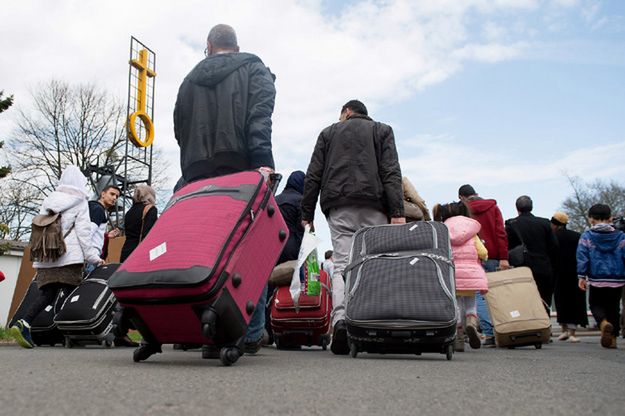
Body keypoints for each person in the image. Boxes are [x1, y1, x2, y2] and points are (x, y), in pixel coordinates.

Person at [171, 23, 277, 357]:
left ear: (209, 45)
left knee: (204, 250)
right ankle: (250, 330)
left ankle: (207, 328)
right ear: (235, 44)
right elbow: (260, 115)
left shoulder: (189, 80)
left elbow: (179, 126)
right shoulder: (253, 68)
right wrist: (263, 160)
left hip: (197, 174)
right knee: (249, 245)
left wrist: (192, 164)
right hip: (242, 166)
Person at [301, 99, 405, 355]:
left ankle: (341, 321)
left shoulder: (328, 133)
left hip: (340, 205)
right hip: (375, 205)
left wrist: (307, 213)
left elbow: (314, 173)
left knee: (341, 265)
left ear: (346, 112)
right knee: (374, 263)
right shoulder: (382, 130)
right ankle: (373, 325)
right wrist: (397, 211)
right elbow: (391, 170)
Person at [10, 166, 103, 348]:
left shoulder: (49, 200)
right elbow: (84, 233)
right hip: (69, 256)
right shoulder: (80, 201)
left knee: (47, 294)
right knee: (71, 294)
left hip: (48, 256)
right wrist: (94, 257)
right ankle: (68, 333)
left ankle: (25, 322)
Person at [458, 184, 509, 347]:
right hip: (493, 255)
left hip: (474, 255)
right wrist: (504, 257)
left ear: (461, 197)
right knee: (493, 294)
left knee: (477, 294)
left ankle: (486, 332)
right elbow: (501, 232)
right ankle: (501, 329)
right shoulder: (493, 207)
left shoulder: (464, 210)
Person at [433, 202, 488, 352]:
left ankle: (458, 337)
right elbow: (483, 252)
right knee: (471, 302)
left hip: (452, 274)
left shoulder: (443, 230)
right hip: (471, 274)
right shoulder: (472, 232)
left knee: (456, 304)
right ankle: (471, 322)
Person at [264, 170, 306, 345]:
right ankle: (288, 329)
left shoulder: (276, 198)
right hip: (292, 248)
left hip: (273, 247)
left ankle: (267, 329)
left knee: (270, 288)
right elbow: (305, 227)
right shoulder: (301, 201)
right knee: (290, 287)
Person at [577, 204, 625, 349]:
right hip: (617, 278)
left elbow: (582, 257)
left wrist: (581, 276)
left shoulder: (587, 237)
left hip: (596, 278)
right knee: (614, 308)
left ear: (591, 219)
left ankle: (603, 324)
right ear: (610, 218)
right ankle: (613, 339)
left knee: (595, 305)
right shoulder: (621, 236)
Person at [506, 196, 558, 314]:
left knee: (523, 298)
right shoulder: (545, 223)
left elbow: (508, 247)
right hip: (543, 266)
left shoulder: (512, 224)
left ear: (517, 208)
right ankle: (545, 325)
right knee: (544, 298)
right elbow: (554, 247)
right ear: (532, 207)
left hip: (521, 267)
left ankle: (529, 325)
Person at [551, 212, 587, 342]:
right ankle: (572, 332)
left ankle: (564, 330)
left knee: (561, 301)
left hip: (558, 273)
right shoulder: (577, 236)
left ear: (554, 224)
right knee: (575, 302)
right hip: (575, 273)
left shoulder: (552, 237)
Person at [119, 185, 158, 263]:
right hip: (140, 254)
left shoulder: (129, 212)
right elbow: (147, 234)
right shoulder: (150, 209)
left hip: (126, 252)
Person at [88, 185, 121, 270]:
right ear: (103, 194)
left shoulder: (98, 209)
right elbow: (88, 233)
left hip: (90, 256)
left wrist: (106, 235)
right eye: (112, 194)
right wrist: (93, 257)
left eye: (117, 196)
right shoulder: (98, 209)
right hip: (91, 257)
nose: (114, 198)